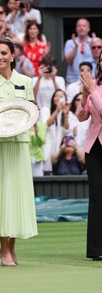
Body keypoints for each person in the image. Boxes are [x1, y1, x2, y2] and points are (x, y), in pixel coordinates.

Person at [0, 38, 38, 266]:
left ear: (13, 56)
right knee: (1, 196)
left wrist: (35, 112)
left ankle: (12, 248)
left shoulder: (26, 81)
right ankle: (4, 250)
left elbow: (30, 113)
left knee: (16, 196)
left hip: (19, 144)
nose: (0, 57)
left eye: (4, 53)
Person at [76, 50, 102, 260]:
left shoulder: (94, 86)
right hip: (93, 147)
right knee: (95, 195)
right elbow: (81, 116)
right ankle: (95, 250)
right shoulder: (94, 83)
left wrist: (91, 91)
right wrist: (85, 95)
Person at [64, 18, 93, 84]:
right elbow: (67, 61)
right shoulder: (70, 43)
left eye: (84, 26)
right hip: (73, 80)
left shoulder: (94, 43)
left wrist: (94, 45)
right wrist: (76, 47)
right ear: (76, 28)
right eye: (79, 26)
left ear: (88, 29)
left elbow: (98, 60)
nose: (81, 28)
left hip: (91, 79)